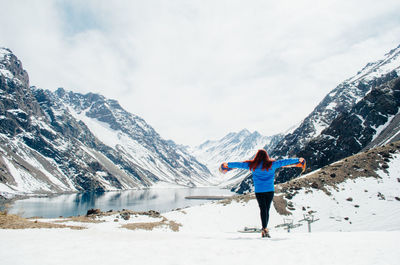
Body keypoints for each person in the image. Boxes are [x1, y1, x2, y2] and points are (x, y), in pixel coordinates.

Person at [220, 149, 305, 238]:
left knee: (262, 209)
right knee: (267, 209)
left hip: (259, 191)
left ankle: (264, 228)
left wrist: (227, 164)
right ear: (266, 156)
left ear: (257, 156)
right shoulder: (272, 164)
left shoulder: (252, 165)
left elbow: (239, 164)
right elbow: (284, 162)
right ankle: (265, 228)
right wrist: (298, 160)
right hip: (269, 190)